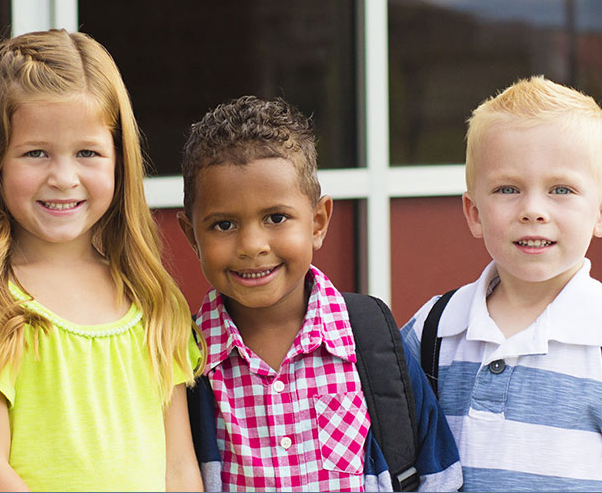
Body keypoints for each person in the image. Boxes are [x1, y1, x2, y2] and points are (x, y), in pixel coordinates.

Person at [0, 29, 202, 491]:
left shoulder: (152, 298)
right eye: (36, 153)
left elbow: (180, 468)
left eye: (87, 153)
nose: (64, 178)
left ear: (118, 160)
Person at [400, 76, 602, 491]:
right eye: (508, 189)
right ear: (474, 212)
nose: (533, 210)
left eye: (560, 189)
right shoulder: (434, 330)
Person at [177, 95, 461, 492]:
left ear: (318, 221)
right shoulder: (180, 361)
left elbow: (438, 478)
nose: (252, 245)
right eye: (223, 225)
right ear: (192, 235)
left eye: (276, 218)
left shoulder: (369, 337)